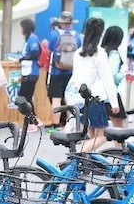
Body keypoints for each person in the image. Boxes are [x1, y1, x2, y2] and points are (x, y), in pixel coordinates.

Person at [63, 17, 118, 152]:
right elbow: (107, 79)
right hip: (94, 99)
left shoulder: (78, 52)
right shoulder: (100, 53)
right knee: (103, 136)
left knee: (92, 135)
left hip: (78, 98)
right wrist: (114, 103)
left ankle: (85, 159)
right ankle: (78, 154)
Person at [45, 11, 81, 132]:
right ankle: (70, 124)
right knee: (69, 98)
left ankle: (56, 125)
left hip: (56, 71)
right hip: (71, 72)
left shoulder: (54, 34)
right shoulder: (77, 36)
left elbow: (50, 50)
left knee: (56, 98)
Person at [101, 26, 127, 129]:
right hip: (111, 94)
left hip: (99, 93)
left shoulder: (101, 52)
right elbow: (113, 76)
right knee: (119, 128)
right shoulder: (114, 54)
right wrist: (123, 74)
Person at [17, 18, 41, 133]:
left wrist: (22, 59)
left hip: (31, 72)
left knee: (26, 98)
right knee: (25, 97)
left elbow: (35, 53)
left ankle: (32, 122)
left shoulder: (32, 38)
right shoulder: (28, 39)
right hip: (26, 72)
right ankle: (34, 120)